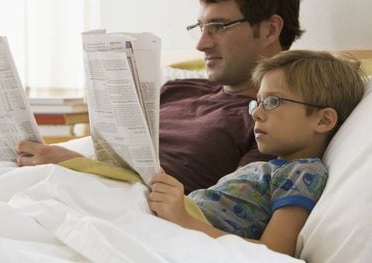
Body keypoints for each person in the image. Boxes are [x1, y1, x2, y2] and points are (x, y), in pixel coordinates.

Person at [0, 0, 303, 193]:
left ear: (271, 29)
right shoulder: (176, 88)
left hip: (120, 205)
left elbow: (227, 207)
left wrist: (78, 167)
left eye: (218, 26)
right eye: (200, 26)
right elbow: (96, 151)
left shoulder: (273, 118)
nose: (200, 43)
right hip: (67, 181)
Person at [148, 50, 367, 256]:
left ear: (324, 120)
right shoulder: (267, 168)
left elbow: (274, 251)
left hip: (186, 233)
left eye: (273, 102)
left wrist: (184, 220)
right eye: (258, 102)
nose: (257, 114)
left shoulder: (304, 173)